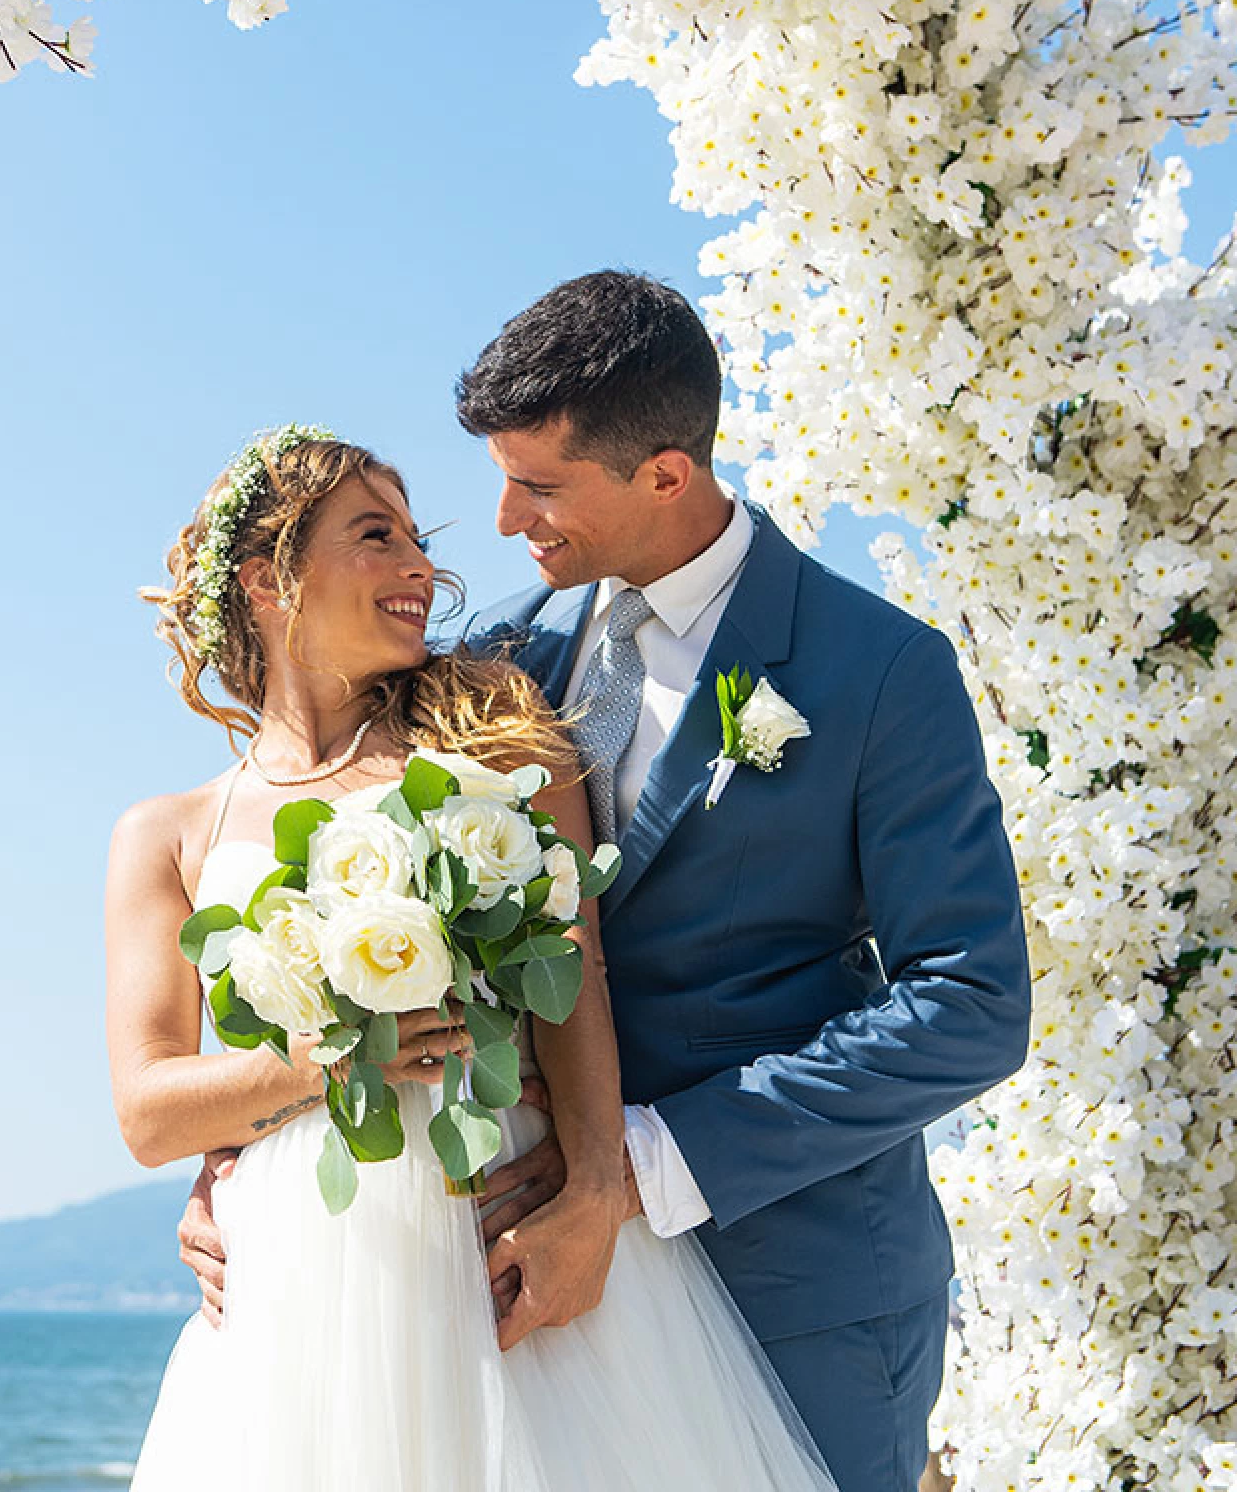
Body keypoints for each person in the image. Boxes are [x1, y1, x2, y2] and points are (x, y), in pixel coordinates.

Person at [176, 273, 1034, 1492]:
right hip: (525, 1298)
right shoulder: (488, 667)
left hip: (793, 1284)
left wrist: (635, 1168)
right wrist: (237, 1174)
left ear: (666, 475)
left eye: (540, 484)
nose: (504, 516)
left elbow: (971, 1005)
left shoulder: (881, 670)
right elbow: (318, 898)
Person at [110, 427, 838, 1490]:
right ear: (269, 579)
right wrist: (318, 1065)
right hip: (305, 1277)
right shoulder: (164, 833)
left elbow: (575, 981)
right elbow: (147, 1109)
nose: (422, 567)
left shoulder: (499, 735)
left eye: (416, 537)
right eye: (376, 536)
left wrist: (592, 1191)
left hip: (510, 1234)